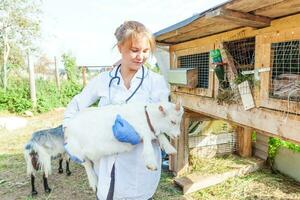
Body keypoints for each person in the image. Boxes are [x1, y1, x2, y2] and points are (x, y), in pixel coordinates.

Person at [63, 21, 169, 200]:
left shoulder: (155, 82)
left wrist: (139, 135)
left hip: (138, 168)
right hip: (105, 165)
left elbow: (164, 123)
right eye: (134, 50)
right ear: (120, 48)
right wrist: (68, 133)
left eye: (145, 51)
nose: (140, 56)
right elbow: (76, 105)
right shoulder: (104, 80)